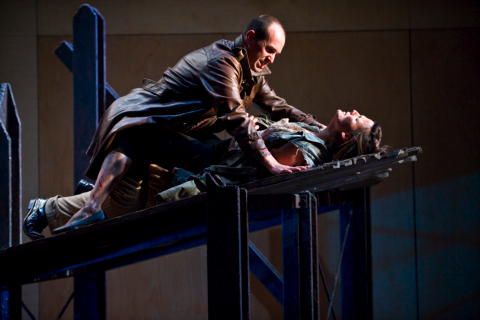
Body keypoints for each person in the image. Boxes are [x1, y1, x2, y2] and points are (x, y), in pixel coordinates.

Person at [23, 15, 326, 239]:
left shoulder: (252, 73)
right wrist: (271, 162)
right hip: (144, 121)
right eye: (269, 49)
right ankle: (80, 202)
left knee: (128, 204)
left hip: (175, 134)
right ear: (249, 38)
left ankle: (66, 203)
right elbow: (235, 118)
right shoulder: (222, 64)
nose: (271, 58)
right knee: (118, 199)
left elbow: (280, 107)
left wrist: (318, 126)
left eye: (276, 54)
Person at [156, 109, 384, 202]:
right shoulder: (316, 131)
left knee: (149, 137)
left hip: (216, 166)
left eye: (357, 118)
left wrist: (254, 132)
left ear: (345, 136)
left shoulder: (303, 152)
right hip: (224, 150)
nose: (354, 111)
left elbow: (250, 166)